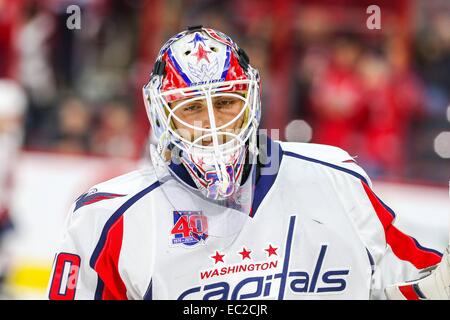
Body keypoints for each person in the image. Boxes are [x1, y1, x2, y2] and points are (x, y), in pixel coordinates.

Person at [47, 26, 449, 300]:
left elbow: (415, 284)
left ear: (250, 103)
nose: (212, 124)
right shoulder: (111, 218)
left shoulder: (335, 179)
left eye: (224, 103)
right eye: (191, 108)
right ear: (161, 115)